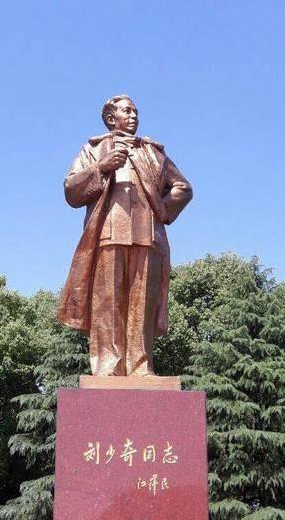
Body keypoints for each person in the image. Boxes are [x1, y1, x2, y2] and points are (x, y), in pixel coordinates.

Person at [58, 95, 192, 376]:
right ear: (111, 118)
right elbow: (71, 190)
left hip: (147, 234)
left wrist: (162, 210)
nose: (133, 116)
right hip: (108, 232)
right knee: (108, 301)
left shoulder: (152, 152)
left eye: (135, 112)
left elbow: (183, 187)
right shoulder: (94, 149)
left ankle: (141, 366)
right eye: (127, 111)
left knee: (143, 304)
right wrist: (101, 167)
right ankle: (109, 366)